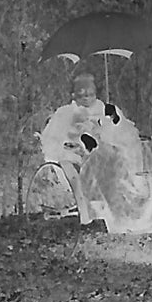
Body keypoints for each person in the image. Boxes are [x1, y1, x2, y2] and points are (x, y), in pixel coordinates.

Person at [39, 71, 126, 223]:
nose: (87, 98)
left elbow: (117, 131)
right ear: (74, 95)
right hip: (73, 154)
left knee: (117, 160)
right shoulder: (66, 112)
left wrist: (112, 119)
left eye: (90, 94)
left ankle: (118, 206)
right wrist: (71, 144)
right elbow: (54, 139)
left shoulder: (102, 108)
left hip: (100, 151)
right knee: (82, 165)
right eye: (82, 94)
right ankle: (85, 213)